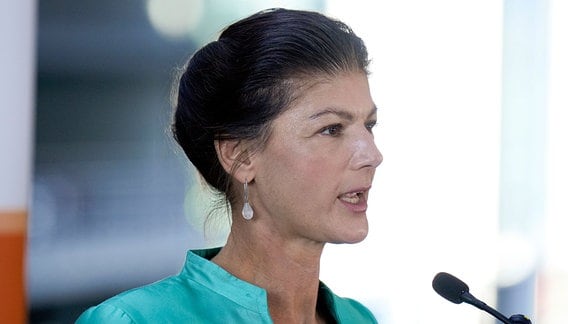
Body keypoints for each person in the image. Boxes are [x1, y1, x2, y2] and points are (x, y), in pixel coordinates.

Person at [76, 7, 382, 324]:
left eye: (369, 125)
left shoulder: (359, 318)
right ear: (240, 157)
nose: (372, 155)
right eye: (331, 129)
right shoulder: (134, 320)